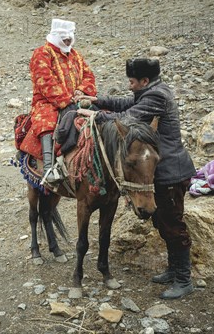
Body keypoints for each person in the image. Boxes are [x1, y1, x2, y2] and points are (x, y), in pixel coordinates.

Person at [75, 58, 196, 299]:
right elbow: (126, 102)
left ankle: (184, 279)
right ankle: (173, 270)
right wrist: (99, 101)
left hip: (170, 170)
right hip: (155, 172)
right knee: (161, 221)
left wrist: (96, 115)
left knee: (173, 224)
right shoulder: (151, 91)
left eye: (132, 82)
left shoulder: (156, 97)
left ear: (144, 81)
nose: (129, 86)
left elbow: (127, 117)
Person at [19, 18, 97, 185]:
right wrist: (67, 99)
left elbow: (89, 76)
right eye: (64, 36)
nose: (68, 39)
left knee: (101, 115)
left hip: (78, 99)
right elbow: (45, 83)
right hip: (48, 102)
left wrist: (82, 90)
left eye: (70, 36)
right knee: (46, 122)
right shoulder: (42, 54)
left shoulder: (75, 55)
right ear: (55, 35)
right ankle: (49, 168)